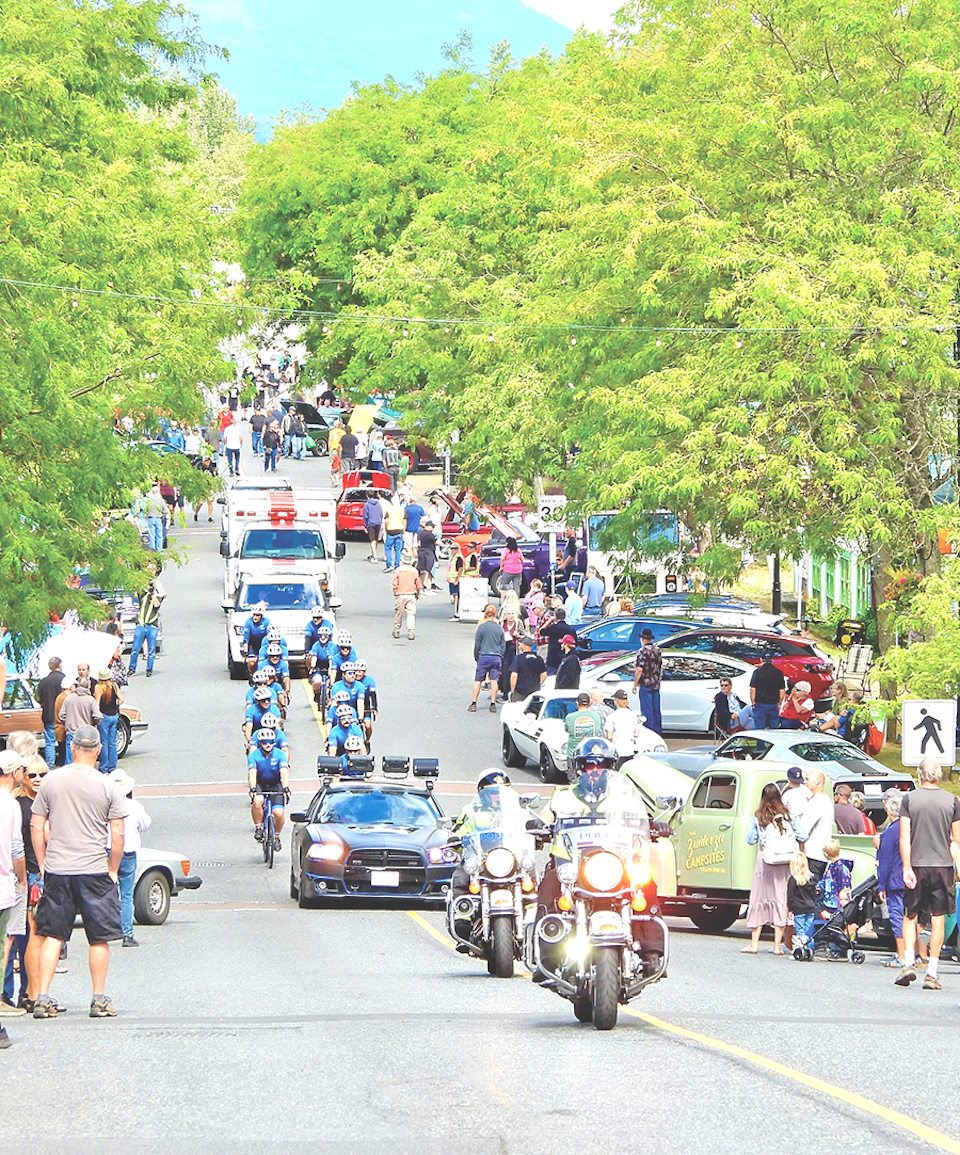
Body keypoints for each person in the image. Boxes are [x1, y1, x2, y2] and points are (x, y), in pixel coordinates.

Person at [30, 725, 126, 1019]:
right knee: (98, 938)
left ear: (72, 747)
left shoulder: (51, 781)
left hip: (59, 868)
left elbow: (36, 824)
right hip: (94, 868)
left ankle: (43, 998)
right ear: (98, 750)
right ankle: (98, 999)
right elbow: (118, 832)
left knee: (53, 935)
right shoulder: (107, 785)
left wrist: (44, 863)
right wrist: (113, 869)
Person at [895, 757, 960, 991]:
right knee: (938, 917)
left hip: (918, 863)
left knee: (910, 915)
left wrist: (906, 867)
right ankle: (932, 972)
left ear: (920, 775)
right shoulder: (952, 801)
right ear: (939, 776)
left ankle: (909, 962)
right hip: (942, 866)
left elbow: (904, 836)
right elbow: (956, 838)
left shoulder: (909, 800)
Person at [742, 783, 807, 955]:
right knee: (781, 899)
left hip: (765, 861)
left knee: (759, 899)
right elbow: (803, 835)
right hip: (785, 862)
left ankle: (754, 944)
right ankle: (778, 946)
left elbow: (750, 839)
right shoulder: (789, 814)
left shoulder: (758, 816)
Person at [107, 770, 149, 948]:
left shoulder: (104, 805)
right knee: (126, 895)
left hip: (107, 851)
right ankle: (127, 933)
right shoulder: (135, 806)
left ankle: (106, 930)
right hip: (129, 852)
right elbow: (145, 824)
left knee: (106, 893)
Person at [0, 752, 26, 1041]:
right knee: (3, 944)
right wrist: (21, 877)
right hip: (3, 882)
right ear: (14, 772)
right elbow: (17, 848)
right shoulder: (10, 804)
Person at [876, 790, 906, 969]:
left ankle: (901, 955)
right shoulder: (909, 828)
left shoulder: (890, 832)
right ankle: (910, 953)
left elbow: (885, 862)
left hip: (895, 880)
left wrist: (881, 885)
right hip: (911, 879)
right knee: (911, 917)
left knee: (897, 917)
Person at [248, 729, 290, 850]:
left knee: (278, 813)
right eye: (265, 742)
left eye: (271, 742)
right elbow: (252, 773)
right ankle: (258, 828)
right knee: (257, 801)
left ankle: (276, 836)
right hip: (260, 783)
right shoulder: (254, 755)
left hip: (275, 783)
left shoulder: (280, 754)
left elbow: (284, 771)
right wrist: (253, 788)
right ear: (260, 743)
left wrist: (286, 787)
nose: (268, 744)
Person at [816, 840, 852, 958]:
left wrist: (843, 901)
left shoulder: (841, 868)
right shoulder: (832, 866)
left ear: (826, 853)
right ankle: (830, 947)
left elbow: (845, 887)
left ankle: (839, 949)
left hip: (836, 902)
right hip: (829, 901)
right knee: (829, 925)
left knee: (836, 926)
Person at [128, 571, 165, 677]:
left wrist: (153, 593)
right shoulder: (142, 594)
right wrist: (140, 584)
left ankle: (149, 669)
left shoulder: (157, 595)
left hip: (151, 625)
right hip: (141, 624)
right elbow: (135, 594)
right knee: (135, 648)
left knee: (151, 649)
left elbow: (157, 605)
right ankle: (132, 668)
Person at [469, 605, 505, 713]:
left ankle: (474, 703)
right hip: (496, 657)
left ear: (485, 614)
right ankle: (493, 703)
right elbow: (503, 645)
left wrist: (476, 656)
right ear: (494, 615)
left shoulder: (481, 627)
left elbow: (477, 644)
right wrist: (501, 656)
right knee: (494, 680)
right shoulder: (499, 628)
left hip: (484, 656)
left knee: (478, 680)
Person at [799, 769, 834, 879]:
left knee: (808, 892)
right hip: (820, 855)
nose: (804, 782)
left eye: (807, 779)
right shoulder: (826, 800)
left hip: (812, 855)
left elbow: (802, 830)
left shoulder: (817, 802)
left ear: (818, 780)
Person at [59, 677, 102, 764]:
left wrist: (68, 722)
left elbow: (61, 715)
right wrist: (93, 722)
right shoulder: (91, 700)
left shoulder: (69, 698)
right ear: (89, 687)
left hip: (71, 731)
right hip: (85, 733)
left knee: (70, 757)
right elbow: (98, 716)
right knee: (84, 758)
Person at [632, 627, 663, 736]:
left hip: (645, 684)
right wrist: (657, 678)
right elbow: (660, 666)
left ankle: (649, 733)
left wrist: (634, 685)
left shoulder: (642, 651)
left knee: (647, 710)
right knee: (656, 710)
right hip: (655, 684)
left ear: (643, 639)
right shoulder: (657, 650)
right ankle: (658, 731)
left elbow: (639, 670)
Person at [786, 851, 818, 956]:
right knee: (809, 932)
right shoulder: (812, 879)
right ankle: (810, 950)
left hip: (798, 908)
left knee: (800, 931)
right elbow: (814, 894)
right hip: (810, 907)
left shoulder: (793, 880)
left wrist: (790, 909)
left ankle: (800, 951)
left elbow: (791, 896)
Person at [564, 692, 602, 772]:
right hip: (590, 753)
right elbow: (597, 731)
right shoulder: (596, 717)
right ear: (590, 703)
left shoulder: (569, 717)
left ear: (577, 703)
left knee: (572, 779)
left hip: (573, 753)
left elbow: (567, 730)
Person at [94, 668, 123, 774]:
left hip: (104, 716)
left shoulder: (99, 687)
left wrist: (96, 716)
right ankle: (112, 766)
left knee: (104, 742)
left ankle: (103, 767)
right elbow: (121, 698)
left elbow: (97, 703)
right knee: (112, 742)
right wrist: (117, 706)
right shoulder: (114, 685)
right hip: (114, 715)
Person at [38, 657, 65, 769]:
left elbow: (39, 698)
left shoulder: (43, 682)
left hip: (48, 714)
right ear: (60, 665)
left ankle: (50, 766)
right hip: (61, 715)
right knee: (63, 741)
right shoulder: (64, 679)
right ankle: (64, 764)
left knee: (50, 742)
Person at [604, 689, 641, 767]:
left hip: (618, 751)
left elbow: (609, 736)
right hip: (630, 751)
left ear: (616, 700)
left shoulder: (612, 716)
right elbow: (636, 734)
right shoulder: (633, 715)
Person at [749, 654, 785, 730]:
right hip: (774, 704)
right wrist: (779, 703)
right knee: (774, 729)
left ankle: (761, 742)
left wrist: (753, 703)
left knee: (760, 730)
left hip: (760, 704)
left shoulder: (757, 672)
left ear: (762, 660)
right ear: (772, 660)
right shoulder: (779, 673)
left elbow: (753, 689)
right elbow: (782, 690)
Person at [392, 550, 421, 641]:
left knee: (399, 614)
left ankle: (396, 630)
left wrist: (395, 593)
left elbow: (394, 583)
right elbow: (418, 585)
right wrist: (418, 594)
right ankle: (411, 632)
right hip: (411, 594)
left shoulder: (399, 570)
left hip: (400, 594)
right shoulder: (414, 571)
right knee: (411, 614)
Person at [509, 634, 546, 701]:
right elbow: (544, 674)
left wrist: (512, 689)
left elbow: (514, 675)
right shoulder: (539, 659)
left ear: (523, 645)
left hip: (520, 693)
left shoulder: (518, 658)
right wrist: (538, 684)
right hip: (534, 692)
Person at [240, 602, 270, 677]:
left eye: (258, 615)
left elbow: (269, 637)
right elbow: (246, 639)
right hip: (252, 644)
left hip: (263, 644)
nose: (255, 617)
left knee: (263, 662)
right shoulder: (248, 622)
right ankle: (252, 675)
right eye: (254, 615)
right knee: (252, 662)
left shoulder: (266, 622)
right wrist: (245, 652)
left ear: (261, 616)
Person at [539, 606, 569, 676]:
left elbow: (541, 631)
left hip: (553, 658)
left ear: (556, 617)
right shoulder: (570, 629)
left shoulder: (553, 628)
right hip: (564, 657)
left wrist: (550, 620)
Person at [383, 495, 405, 572]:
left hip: (390, 530)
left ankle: (389, 564)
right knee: (398, 549)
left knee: (388, 548)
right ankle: (397, 565)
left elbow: (387, 521)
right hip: (399, 530)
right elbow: (404, 521)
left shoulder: (389, 510)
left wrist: (386, 529)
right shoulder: (402, 510)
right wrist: (403, 531)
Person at [363, 491, 384, 563]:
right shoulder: (378, 503)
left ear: (367, 495)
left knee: (372, 540)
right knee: (376, 539)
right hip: (378, 522)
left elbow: (365, 516)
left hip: (371, 523)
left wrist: (365, 526)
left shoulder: (367, 504)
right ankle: (373, 553)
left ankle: (375, 557)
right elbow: (381, 513)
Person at [417, 520, 439, 593]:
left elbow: (419, 543)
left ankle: (421, 585)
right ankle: (425, 586)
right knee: (426, 570)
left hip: (421, 552)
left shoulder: (420, 533)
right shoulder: (430, 535)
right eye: (432, 527)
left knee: (422, 570)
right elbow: (436, 542)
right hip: (428, 553)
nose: (433, 528)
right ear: (428, 526)